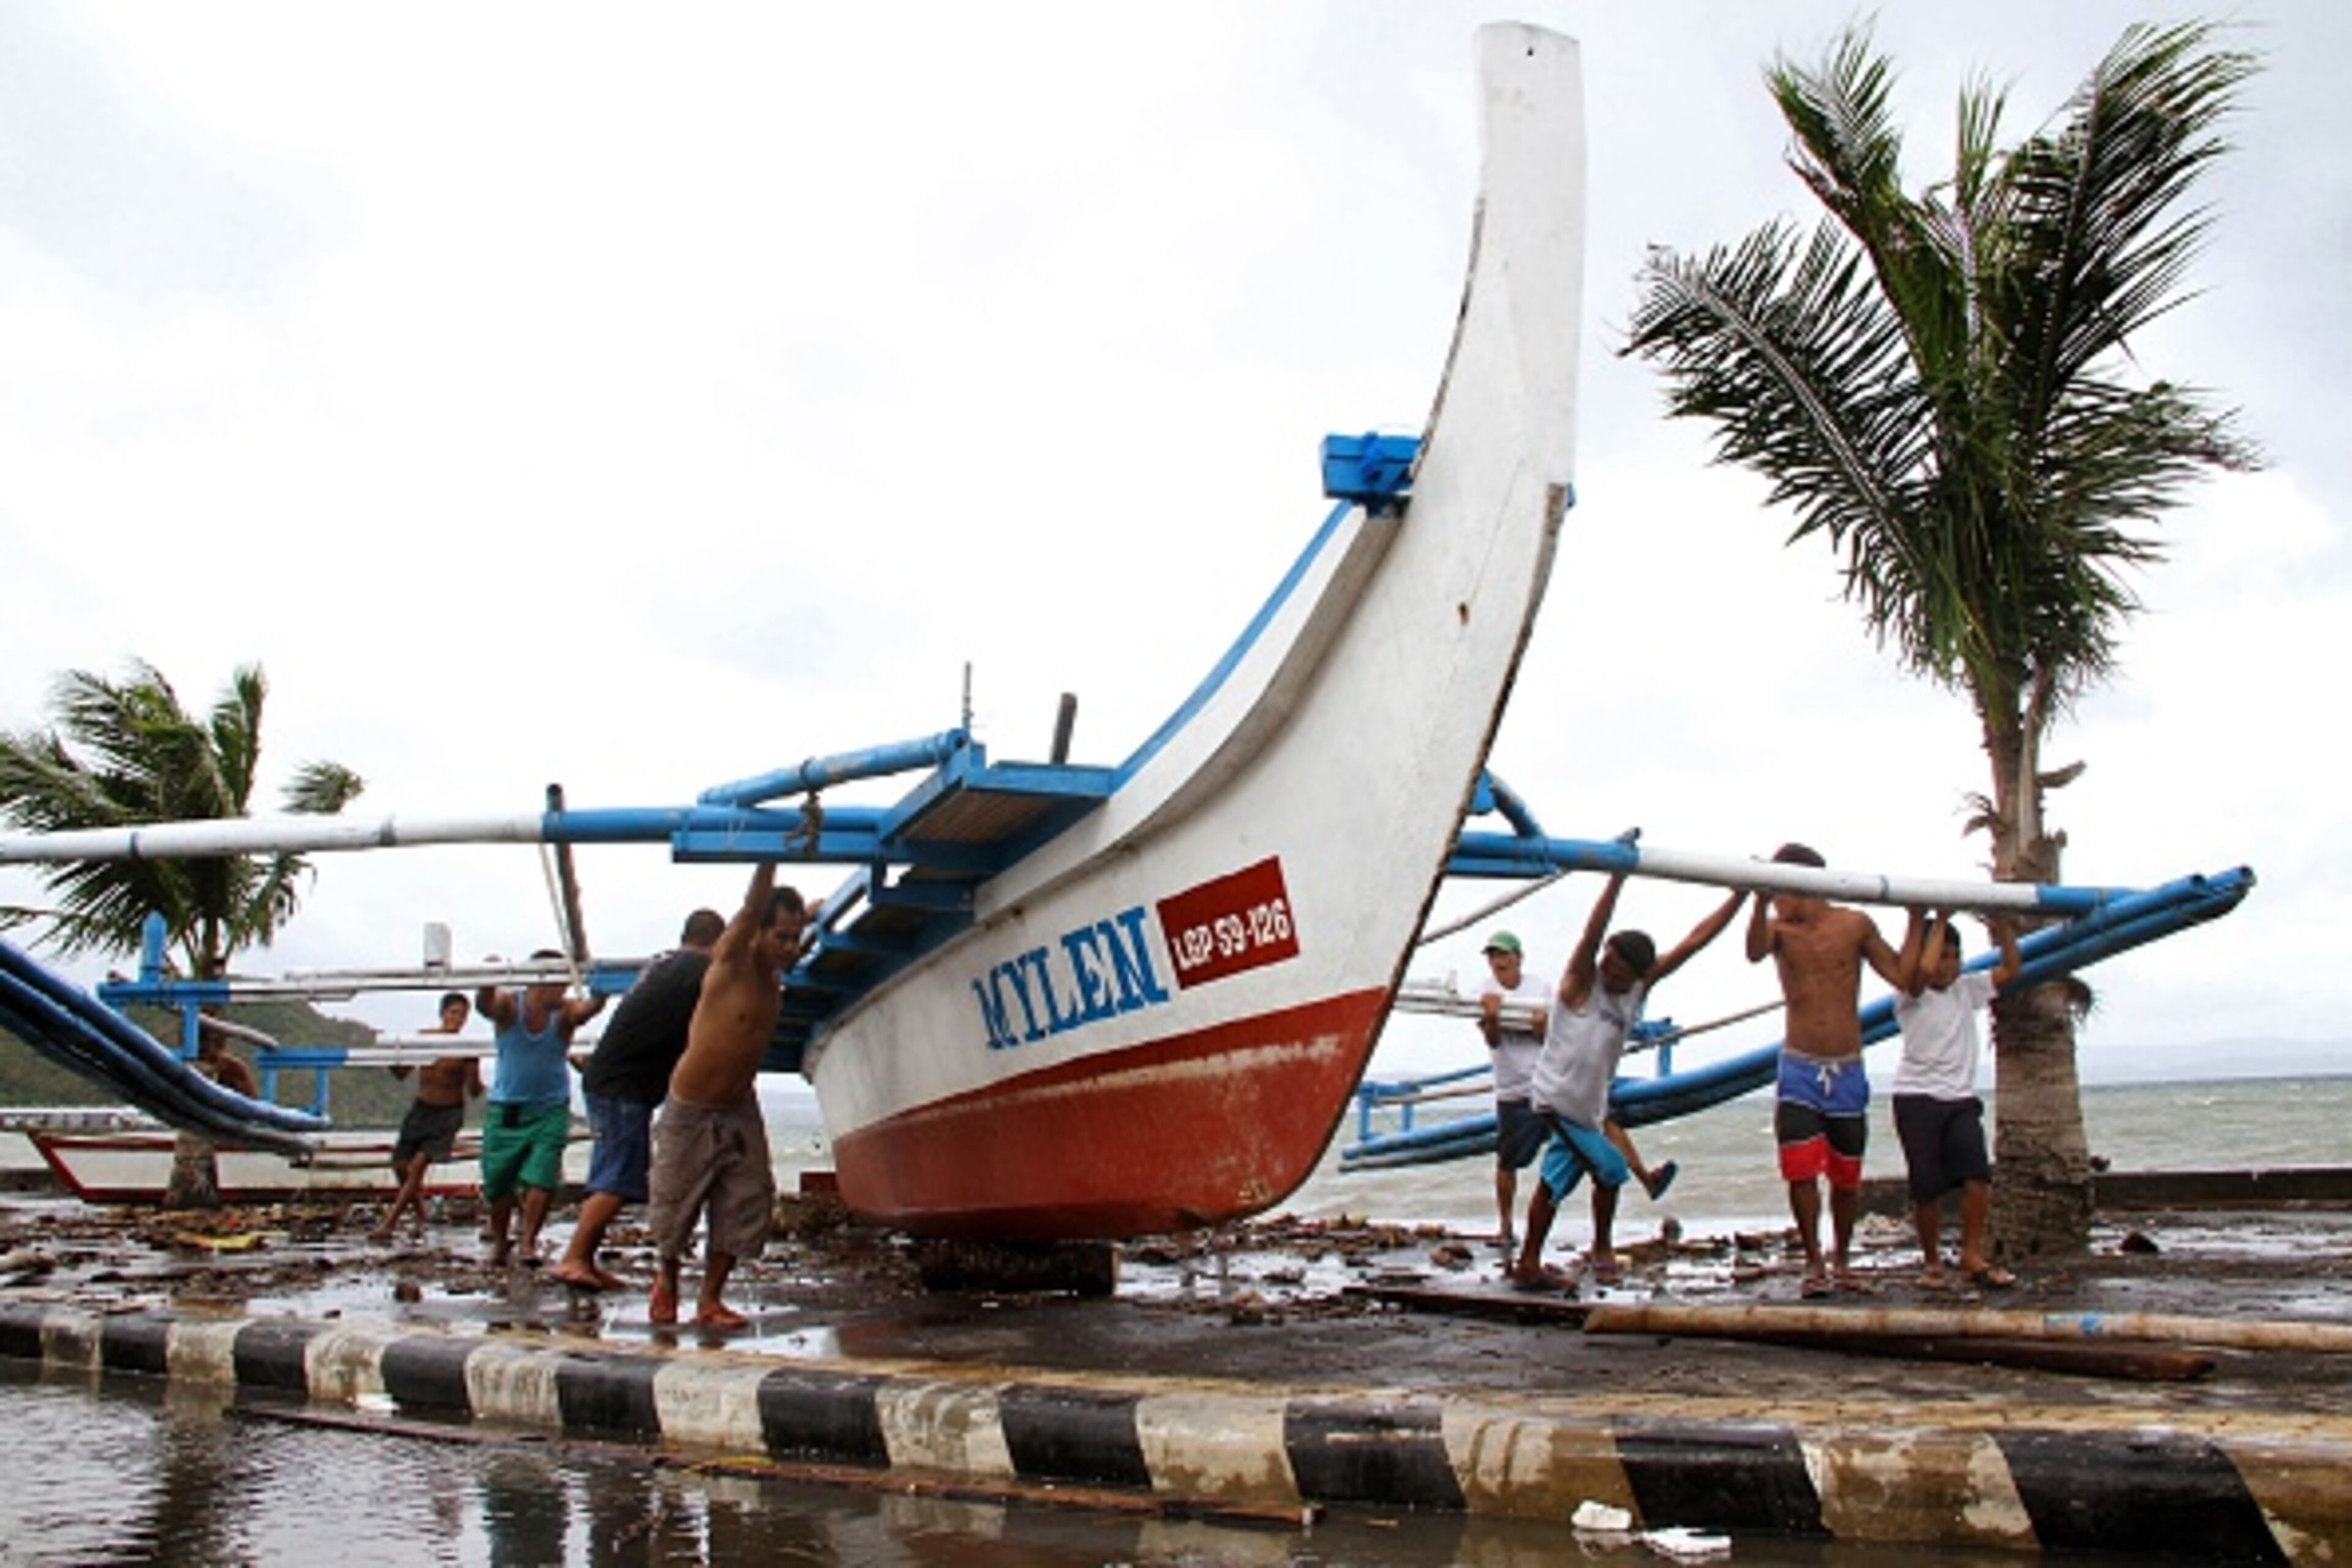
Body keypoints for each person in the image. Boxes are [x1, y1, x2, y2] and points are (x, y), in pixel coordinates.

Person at [1512, 872, 1746, 1291]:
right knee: (1612, 1169)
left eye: (1618, 969)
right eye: (1607, 961)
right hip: (1555, 1100)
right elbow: (1591, 934)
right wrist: (1616, 879)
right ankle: (1602, 1249)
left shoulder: (1636, 990)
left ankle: (1528, 1263)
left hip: (1587, 1111)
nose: (1609, 971)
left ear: (1636, 974)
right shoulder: (1582, 984)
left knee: (1553, 1182)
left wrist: (1740, 895)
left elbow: (1694, 941)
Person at [647, 862, 810, 1329]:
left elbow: (795, 925)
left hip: (740, 1104)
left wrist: (810, 912)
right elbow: (752, 904)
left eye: (794, 938)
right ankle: (668, 1281)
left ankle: (711, 1299)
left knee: (747, 1198)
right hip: (692, 1102)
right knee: (675, 1205)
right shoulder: (733, 959)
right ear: (755, 932)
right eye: (780, 936)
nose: (789, 947)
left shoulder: (775, 977)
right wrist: (769, 855)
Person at [1746, 842, 1907, 1298]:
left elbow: (1901, 975)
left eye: (1781, 891)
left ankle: (1842, 1258)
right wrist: (1757, 900)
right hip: (1799, 1065)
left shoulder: (1854, 924)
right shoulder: (1779, 930)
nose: (1778, 900)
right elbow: (1754, 951)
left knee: (1846, 1172)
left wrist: (1918, 920)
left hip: (1847, 1066)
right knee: (1800, 1170)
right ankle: (1814, 1262)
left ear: (1805, 886)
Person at [550, 908, 726, 1291]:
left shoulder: (663, 964)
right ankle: (574, 1257)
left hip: (613, 1080)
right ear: (717, 941)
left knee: (610, 1172)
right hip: (622, 1086)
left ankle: (585, 1258)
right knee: (620, 1175)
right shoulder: (698, 969)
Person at [1480, 932, 1677, 1254]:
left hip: (1576, 1094)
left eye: (1503, 956)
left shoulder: (1539, 989)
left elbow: (1557, 1031)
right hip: (1531, 1091)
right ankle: (1591, 1248)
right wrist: (1491, 1016)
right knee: (1518, 1161)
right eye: (1493, 957)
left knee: (1559, 1176)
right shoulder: (1488, 991)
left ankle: (1533, 1260)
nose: (1498, 962)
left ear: (1518, 958)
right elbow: (1493, 1040)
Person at [1893, 908, 2024, 1290]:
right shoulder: (1908, 993)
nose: (1948, 965)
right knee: (1927, 1187)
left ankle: (1971, 1253)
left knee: (1977, 1176)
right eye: (1942, 956)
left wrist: (2003, 927)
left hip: (1959, 1098)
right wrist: (1939, 916)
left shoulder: (1967, 989)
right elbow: (1923, 970)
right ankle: (1932, 1261)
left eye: (1955, 956)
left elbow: (2012, 969)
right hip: (1917, 1097)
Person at [475, 951, 605, 1267]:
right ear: (538, 981)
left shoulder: (564, 1013)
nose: (563, 990)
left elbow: (587, 1010)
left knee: (542, 1176)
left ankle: (528, 1241)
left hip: (550, 1107)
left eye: (565, 981)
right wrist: (488, 978)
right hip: (508, 1106)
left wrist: (602, 987)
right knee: (498, 1182)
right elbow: (486, 1005)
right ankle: (501, 1238)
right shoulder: (511, 1006)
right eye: (557, 982)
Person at [371, 991, 482, 1244]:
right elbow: (401, 1073)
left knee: (418, 1166)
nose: (458, 1019)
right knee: (400, 1164)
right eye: (454, 1013)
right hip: (422, 1108)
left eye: (463, 1015)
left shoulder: (466, 1048)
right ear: (443, 1014)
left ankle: (389, 1223)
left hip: (449, 1113)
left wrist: (476, 1068)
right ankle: (422, 1213)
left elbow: (474, 1090)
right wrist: (389, 1053)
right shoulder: (424, 1039)